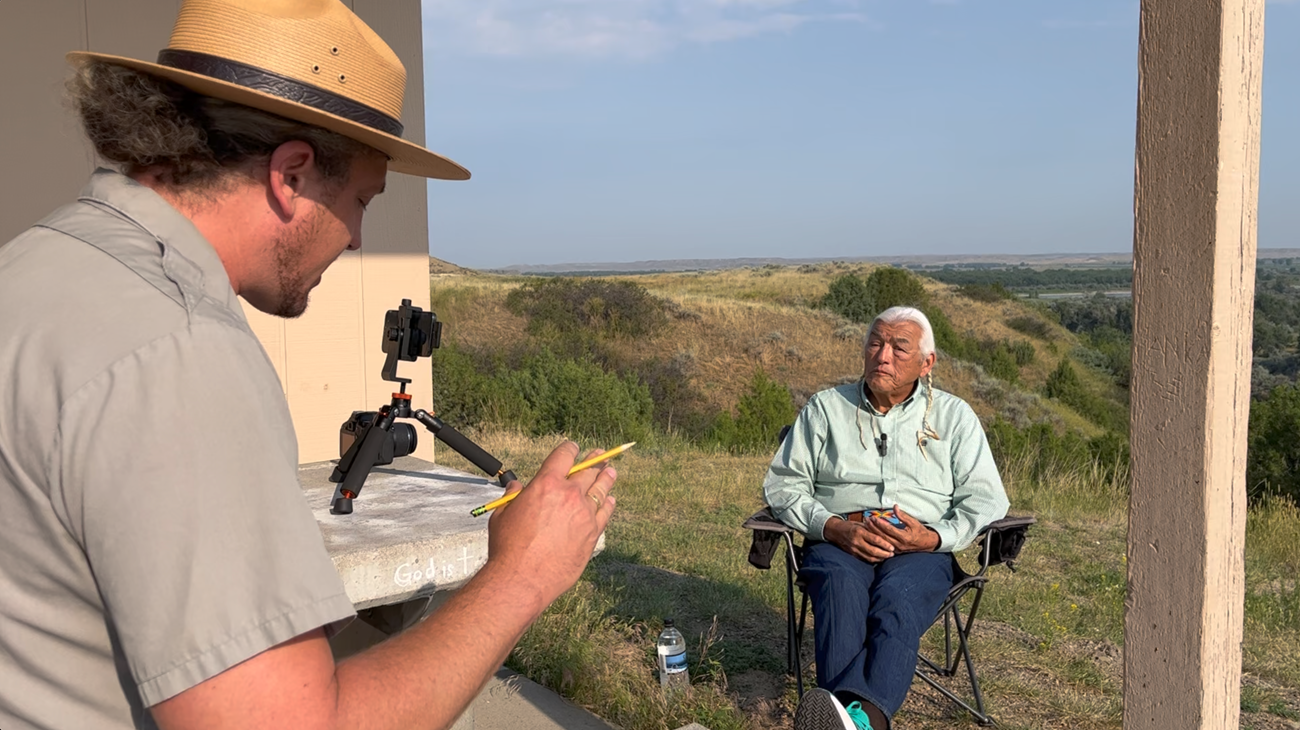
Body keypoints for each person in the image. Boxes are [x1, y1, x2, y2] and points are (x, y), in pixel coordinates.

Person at [0, 2, 617, 729]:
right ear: (290, 174)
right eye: (360, 199)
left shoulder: (35, 265)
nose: (357, 237)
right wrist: (523, 575)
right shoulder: (181, 355)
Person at [763, 306, 1010, 730]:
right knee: (840, 586)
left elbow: (986, 499)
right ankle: (862, 722)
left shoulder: (954, 417)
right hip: (840, 539)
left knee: (897, 598)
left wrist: (932, 538)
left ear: (926, 362)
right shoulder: (826, 409)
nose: (883, 355)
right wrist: (833, 527)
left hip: (920, 547)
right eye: (876, 343)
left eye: (900, 347)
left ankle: (850, 718)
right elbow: (783, 485)